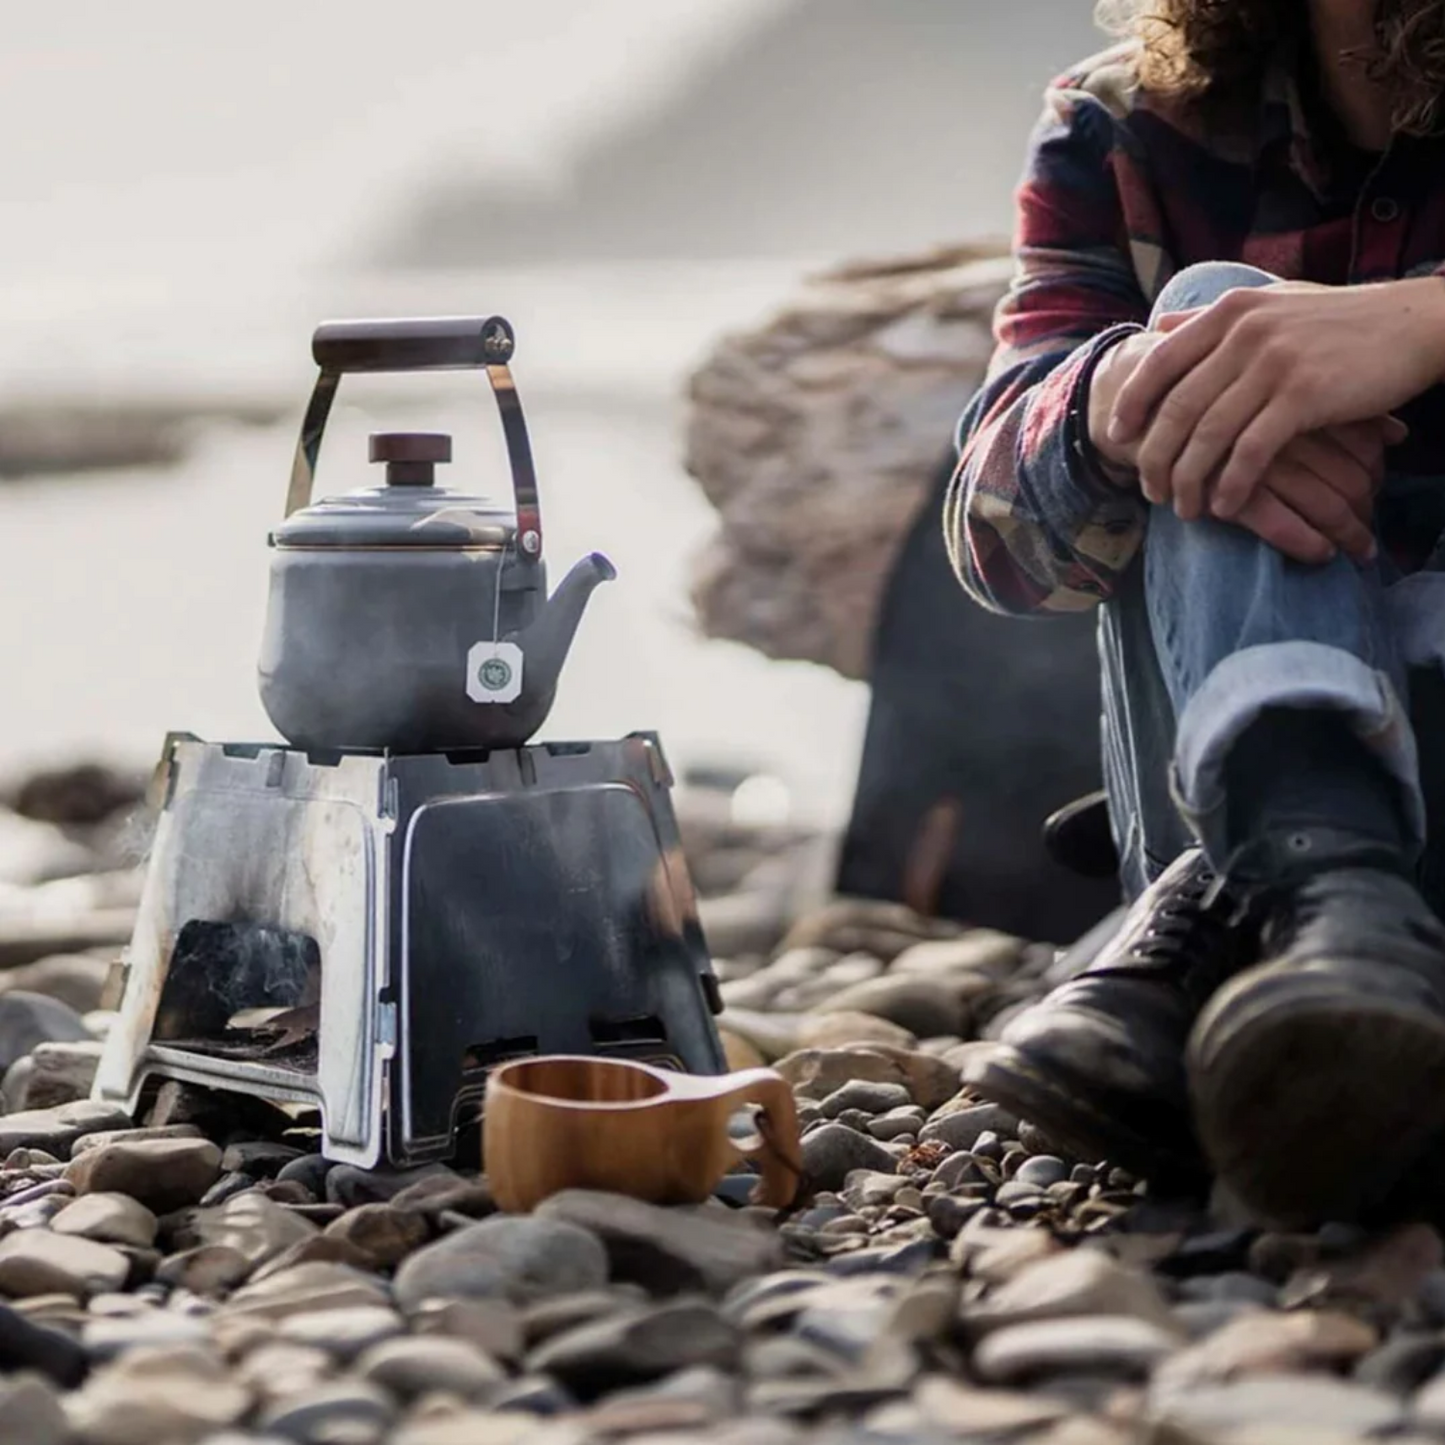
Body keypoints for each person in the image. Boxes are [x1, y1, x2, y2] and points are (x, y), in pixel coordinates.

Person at [947, 0, 1445, 1226]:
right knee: (1203, 322)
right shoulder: (1118, 128)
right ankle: (1331, 908)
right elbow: (997, 551)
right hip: (1215, 756)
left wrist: (1416, 323)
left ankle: (1225, 946)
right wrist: (1123, 402)